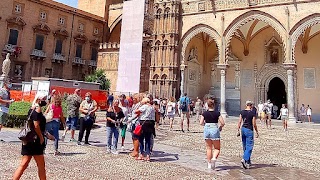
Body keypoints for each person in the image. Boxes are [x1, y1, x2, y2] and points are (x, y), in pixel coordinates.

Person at [13, 93, 47, 180]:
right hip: (35, 140)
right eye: (44, 99)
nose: (46, 100)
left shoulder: (31, 109)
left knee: (24, 164)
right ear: (39, 100)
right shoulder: (38, 109)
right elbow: (36, 125)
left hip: (28, 139)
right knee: (41, 165)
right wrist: (41, 137)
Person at [200, 99, 225, 169]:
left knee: (208, 148)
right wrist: (220, 127)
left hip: (207, 128)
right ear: (214, 105)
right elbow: (222, 123)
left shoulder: (204, 113)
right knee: (217, 148)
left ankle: (209, 164)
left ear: (207, 105)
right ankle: (214, 158)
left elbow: (201, 122)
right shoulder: (217, 113)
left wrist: (206, 125)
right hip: (214, 128)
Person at [237, 100, 259, 169]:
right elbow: (254, 124)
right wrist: (257, 132)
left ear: (246, 105)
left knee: (245, 145)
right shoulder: (252, 113)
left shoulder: (242, 112)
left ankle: (248, 162)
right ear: (251, 105)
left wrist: (238, 130)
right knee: (249, 146)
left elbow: (239, 121)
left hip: (243, 129)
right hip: (249, 129)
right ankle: (244, 159)